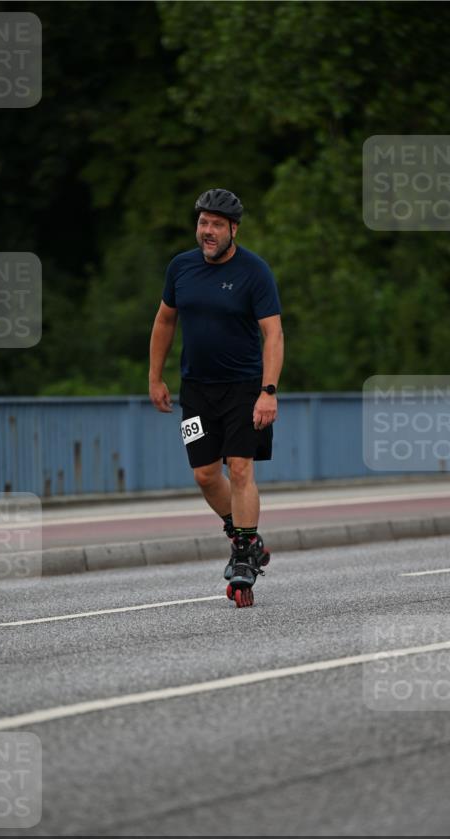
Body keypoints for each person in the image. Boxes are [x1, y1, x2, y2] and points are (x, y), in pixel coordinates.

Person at [148, 188, 284, 606]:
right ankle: (243, 533)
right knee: (205, 475)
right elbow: (165, 321)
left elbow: (273, 333)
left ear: (233, 229)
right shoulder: (181, 268)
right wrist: (155, 376)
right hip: (197, 391)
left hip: (245, 388)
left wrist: (268, 391)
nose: (207, 232)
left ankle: (243, 555)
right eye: (202, 223)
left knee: (240, 468)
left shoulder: (254, 271)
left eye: (216, 225)